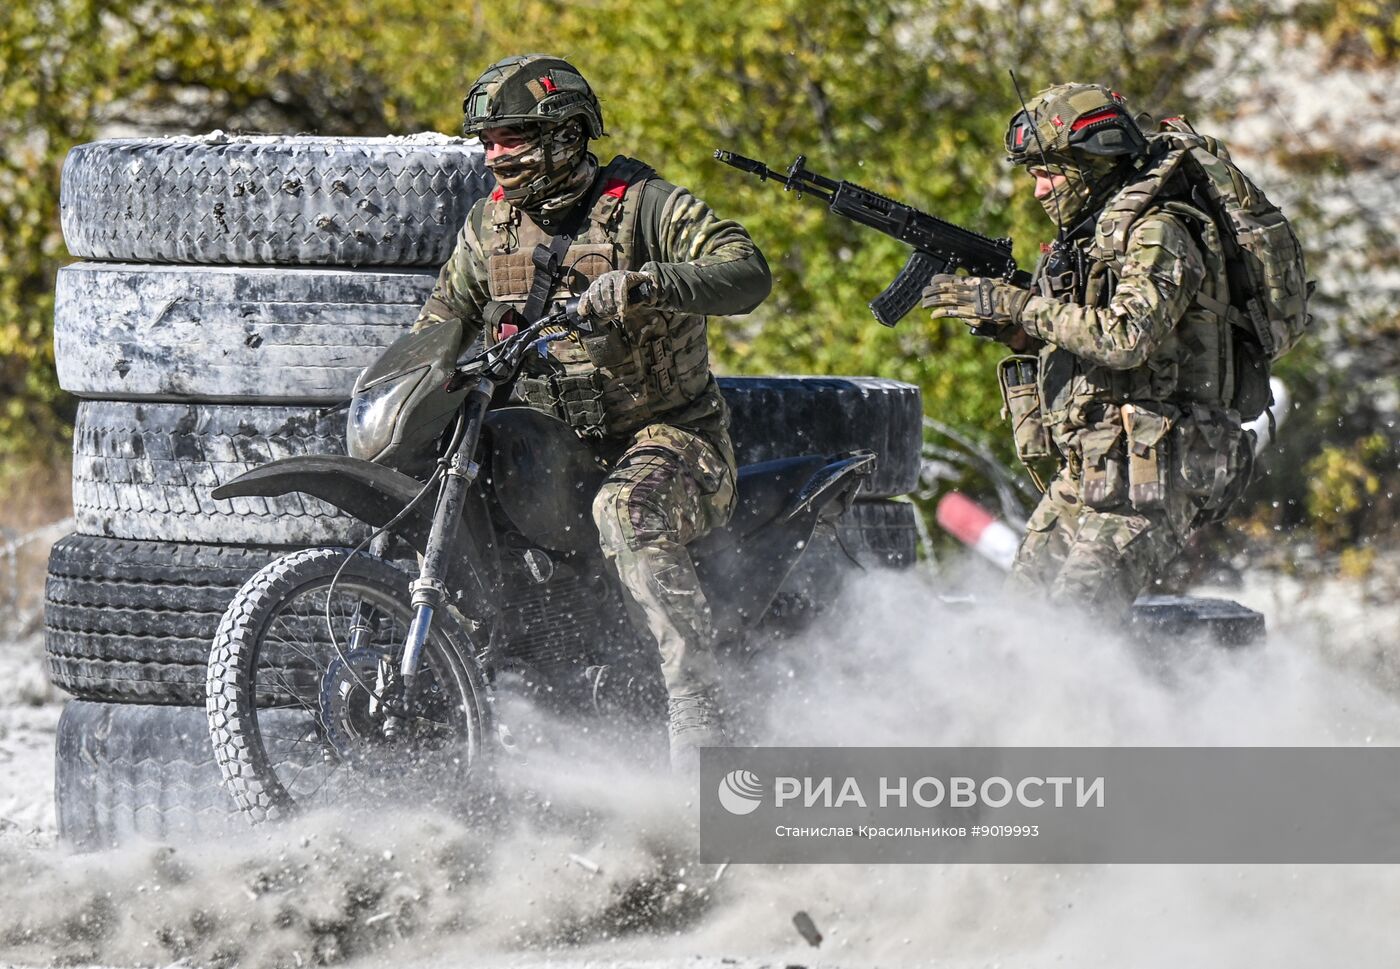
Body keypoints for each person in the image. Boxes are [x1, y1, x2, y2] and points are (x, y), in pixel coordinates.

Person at [410, 54, 772, 768]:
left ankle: (702, 714)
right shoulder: (490, 227)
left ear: (566, 136)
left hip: (672, 440)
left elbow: (746, 270)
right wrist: (418, 376)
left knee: (625, 512)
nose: (493, 155)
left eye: (509, 137)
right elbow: (443, 318)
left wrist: (648, 283)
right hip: (551, 446)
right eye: (487, 141)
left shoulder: (647, 205)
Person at [922, 83, 1252, 616]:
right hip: (1090, 472)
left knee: (1070, 634)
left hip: (1151, 479)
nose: (1039, 192)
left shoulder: (1161, 232)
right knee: (1016, 626)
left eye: (1047, 173)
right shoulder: (1094, 243)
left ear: (1092, 162)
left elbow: (1125, 339)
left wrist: (1015, 304)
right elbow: (1088, 346)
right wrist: (1014, 332)